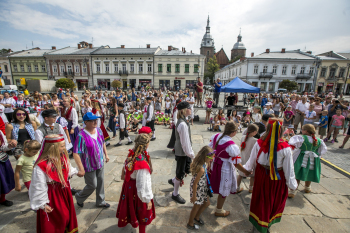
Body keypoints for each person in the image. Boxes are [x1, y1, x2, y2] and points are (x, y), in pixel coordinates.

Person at [244, 118, 298, 232]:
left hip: (261, 175)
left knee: (260, 199)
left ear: (267, 128)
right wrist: (292, 184)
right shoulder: (285, 148)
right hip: (277, 178)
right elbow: (289, 168)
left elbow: (252, 160)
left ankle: (258, 223)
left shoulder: (259, 142)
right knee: (272, 200)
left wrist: (247, 169)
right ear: (281, 130)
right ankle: (266, 224)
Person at [29, 134, 78, 232]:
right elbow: (38, 185)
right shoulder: (41, 165)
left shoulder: (62, 157)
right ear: (53, 147)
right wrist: (43, 204)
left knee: (66, 216)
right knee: (57, 218)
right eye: (62, 146)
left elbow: (68, 169)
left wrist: (73, 172)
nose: (65, 148)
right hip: (52, 195)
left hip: (64, 191)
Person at [209, 122, 250, 217]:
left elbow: (209, 149)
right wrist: (245, 171)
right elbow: (236, 163)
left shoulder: (216, 136)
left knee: (211, 182)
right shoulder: (231, 146)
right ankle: (219, 210)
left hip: (214, 164)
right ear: (233, 133)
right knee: (223, 187)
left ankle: (204, 202)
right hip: (224, 167)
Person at [116, 134, 155, 233]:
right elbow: (143, 184)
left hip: (129, 187)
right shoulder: (141, 162)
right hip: (137, 191)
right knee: (142, 213)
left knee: (131, 208)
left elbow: (125, 167)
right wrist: (147, 200)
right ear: (146, 145)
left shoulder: (132, 153)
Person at [73, 112, 110, 208]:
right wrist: (81, 169)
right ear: (86, 122)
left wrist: (106, 155)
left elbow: (102, 142)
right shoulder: (81, 136)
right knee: (92, 185)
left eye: (96, 120)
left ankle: (101, 201)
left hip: (100, 162)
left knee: (101, 182)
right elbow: (76, 153)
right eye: (92, 121)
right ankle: (79, 197)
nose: (95, 122)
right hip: (88, 165)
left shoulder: (98, 130)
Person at [288, 124, 327, 198]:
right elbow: (323, 150)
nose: (301, 131)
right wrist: (318, 155)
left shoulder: (301, 138)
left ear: (305, 131)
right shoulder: (318, 140)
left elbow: (292, 145)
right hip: (313, 159)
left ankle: (293, 190)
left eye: (302, 129)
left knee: (297, 173)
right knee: (309, 173)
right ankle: (307, 188)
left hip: (301, 158)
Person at [168, 101, 194, 204]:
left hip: (184, 152)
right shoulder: (182, 124)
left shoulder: (184, 120)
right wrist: (191, 155)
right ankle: (175, 194)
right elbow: (185, 143)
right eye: (189, 108)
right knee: (180, 173)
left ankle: (174, 181)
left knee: (185, 170)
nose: (191, 109)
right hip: (182, 152)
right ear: (184, 110)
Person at [187, 146, 214, 230]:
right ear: (206, 157)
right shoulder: (201, 169)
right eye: (210, 159)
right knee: (196, 206)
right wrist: (194, 196)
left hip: (202, 186)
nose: (211, 160)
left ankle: (197, 217)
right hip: (198, 188)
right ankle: (190, 223)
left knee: (207, 203)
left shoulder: (202, 163)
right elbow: (195, 183)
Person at [237, 124, 258, 193]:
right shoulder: (255, 140)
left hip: (242, 159)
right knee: (252, 175)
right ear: (254, 132)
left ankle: (237, 187)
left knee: (240, 174)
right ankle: (251, 188)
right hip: (250, 160)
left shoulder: (243, 137)